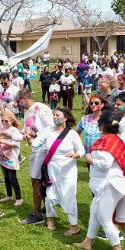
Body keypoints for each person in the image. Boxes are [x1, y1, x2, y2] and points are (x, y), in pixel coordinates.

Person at [25, 107, 85, 235]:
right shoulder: (48, 130)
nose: (54, 117)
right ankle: (50, 220)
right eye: (54, 115)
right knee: (50, 195)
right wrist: (30, 140)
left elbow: (82, 150)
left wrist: (76, 155)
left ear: (66, 118)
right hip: (52, 167)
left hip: (68, 169)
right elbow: (36, 143)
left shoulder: (71, 134)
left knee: (69, 195)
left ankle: (74, 226)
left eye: (57, 115)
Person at [0, 89, 54, 225]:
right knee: (38, 181)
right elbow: (25, 133)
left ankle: (37, 214)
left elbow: (50, 127)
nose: (18, 104)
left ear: (24, 98)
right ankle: (46, 208)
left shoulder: (41, 108)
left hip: (43, 149)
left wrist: (37, 139)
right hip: (36, 149)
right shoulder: (29, 112)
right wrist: (10, 135)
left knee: (36, 180)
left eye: (18, 101)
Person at [73, 111, 125, 250]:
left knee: (104, 219)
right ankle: (87, 242)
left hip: (108, 184)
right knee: (94, 214)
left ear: (102, 126)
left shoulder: (108, 140)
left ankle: (117, 248)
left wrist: (90, 159)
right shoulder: (113, 139)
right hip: (106, 184)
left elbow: (105, 164)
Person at [0, 111, 23, 206]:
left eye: (6, 120)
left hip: (11, 158)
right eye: (3, 120)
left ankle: (19, 198)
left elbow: (15, 144)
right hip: (2, 157)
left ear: (12, 120)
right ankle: (9, 195)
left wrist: (2, 141)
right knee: (6, 178)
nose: (4, 122)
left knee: (12, 178)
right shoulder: (2, 129)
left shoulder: (14, 131)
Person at [77, 95, 109, 170]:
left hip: (103, 154)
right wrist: (78, 146)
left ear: (102, 104)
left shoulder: (107, 119)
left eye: (96, 103)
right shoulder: (84, 119)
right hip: (89, 155)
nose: (93, 105)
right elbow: (78, 131)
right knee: (92, 176)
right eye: (91, 103)